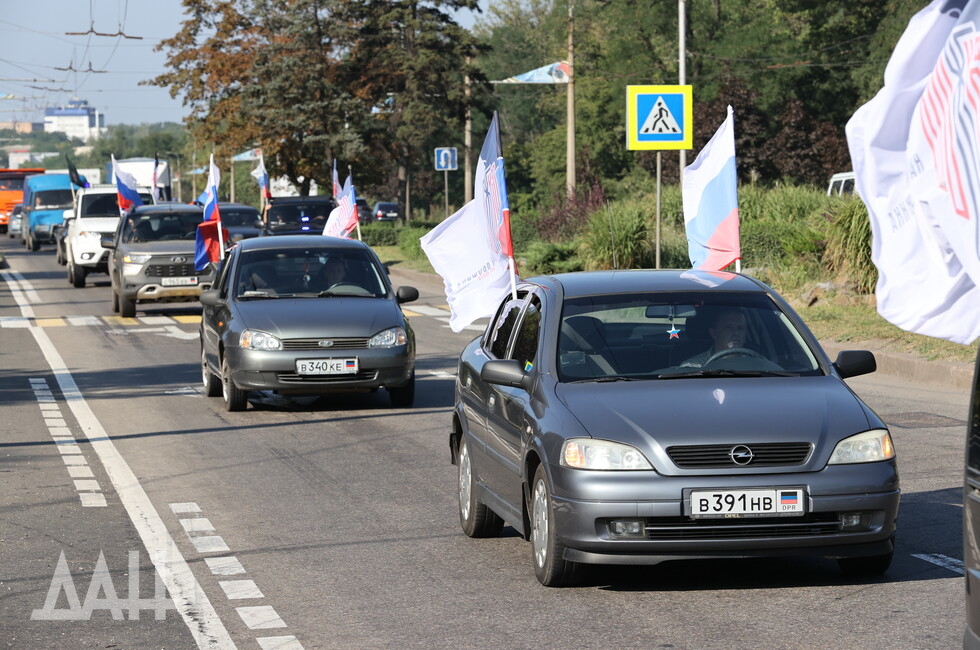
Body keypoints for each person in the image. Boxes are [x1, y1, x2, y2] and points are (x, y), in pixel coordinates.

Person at [680, 308, 750, 368]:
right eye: (729, 327)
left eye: (740, 328)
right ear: (714, 333)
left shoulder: (756, 365)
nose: (736, 333)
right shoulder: (692, 367)